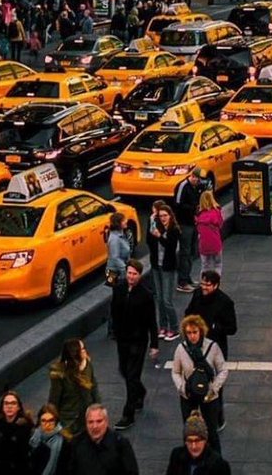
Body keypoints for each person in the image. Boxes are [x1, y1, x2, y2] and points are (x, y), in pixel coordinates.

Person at [111, 259, 159, 430]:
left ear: (139, 275)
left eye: (134, 274)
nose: (131, 277)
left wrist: (154, 344)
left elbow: (152, 321)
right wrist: (115, 331)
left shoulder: (146, 295)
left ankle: (128, 414)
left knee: (131, 376)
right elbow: (114, 311)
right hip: (123, 339)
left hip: (138, 341)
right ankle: (140, 392)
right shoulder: (119, 289)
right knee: (124, 371)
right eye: (129, 273)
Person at [185, 270, 237, 428]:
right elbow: (189, 312)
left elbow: (232, 328)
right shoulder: (197, 295)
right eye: (202, 284)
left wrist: (215, 327)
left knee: (215, 384)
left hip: (216, 349)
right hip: (198, 347)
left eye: (207, 285)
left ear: (216, 285)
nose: (204, 288)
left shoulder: (225, 302)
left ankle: (217, 418)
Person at [170, 315, 228, 451]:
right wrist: (182, 387)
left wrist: (214, 388)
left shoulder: (212, 347)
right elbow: (175, 371)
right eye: (189, 333)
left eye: (195, 332)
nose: (192, 336)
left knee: (211, 432)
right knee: (188, 430)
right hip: (188, 394)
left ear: (201, 331)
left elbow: (223, 370)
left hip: (208, 395)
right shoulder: (181, 349)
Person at [47, 339, 99, 440]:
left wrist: (97, 409)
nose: (85, 351)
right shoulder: (60, 374)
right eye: (82, 349)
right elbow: (54, 399)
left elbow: (94, 389)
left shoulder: (87, 365)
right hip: (69, 420)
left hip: (86, 417)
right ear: (74, 353)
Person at [70, 405, 139, 475]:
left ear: (106, 422)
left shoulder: (120, 444)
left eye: (99, 421)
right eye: (90, 422)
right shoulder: (76, 444)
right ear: (86, 424)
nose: (95, 426)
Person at [148, 202, 181, 340]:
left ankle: (174, 327)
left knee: (167, 300)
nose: (163, 218)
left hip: (168, 267)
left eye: (165, 215)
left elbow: (170, 247)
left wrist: (159, 236)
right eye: (160, 216)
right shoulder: (157, 227)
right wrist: (151, 222)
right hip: (157, 265)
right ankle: (162, 326)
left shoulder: (174, 230)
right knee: (160, 299)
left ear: (170, 216)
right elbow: (149, 241)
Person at [0, 390, 34, 475]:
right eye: (6, 403)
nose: (9, 406)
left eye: (13, 403)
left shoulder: (25, 426)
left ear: (18, 407)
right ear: (2, 407)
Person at [165, 414, 231, 475]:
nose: (194, 446)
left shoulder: (219, 465)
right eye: (189, 441)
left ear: (205, 440)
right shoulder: (176, 456)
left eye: (197, 441)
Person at [174, 169, 204, 292]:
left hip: (193, 222)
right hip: (184, 222)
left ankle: (187, 277)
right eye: (197, 178)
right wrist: (193, 208)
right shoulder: (183, 186)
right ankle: (182, 281)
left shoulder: (196, 187)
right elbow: (178, 204)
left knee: (192, 250)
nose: (198, 181)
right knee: (185, 252)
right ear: (192, 176)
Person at [28, 405, 70, 475]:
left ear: (56, 422)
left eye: (51, 421)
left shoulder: (64, 443)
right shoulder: (33, 439)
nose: (47, 425)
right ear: (39, 422)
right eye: (43, 421)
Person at [195, 191, 224, 274]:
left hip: (203, 244)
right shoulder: (216, 212)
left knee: (205, 266)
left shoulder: (198, 214)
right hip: (215, 242)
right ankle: (215, 283)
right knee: (217, 264)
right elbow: (220, 224)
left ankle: (204, 284)